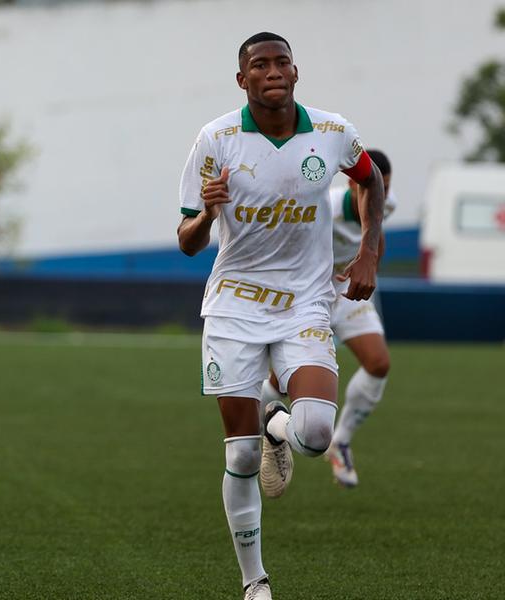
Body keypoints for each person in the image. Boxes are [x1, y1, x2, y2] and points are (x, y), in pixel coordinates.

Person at [176, 32, 385, 600]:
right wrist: (208, 212)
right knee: (240, 453)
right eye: (259, 65)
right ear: (242, 80)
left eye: (281, 62)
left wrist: (369, 249)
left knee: (315, 433)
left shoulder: (333, 131)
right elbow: (188, 240)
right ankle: (255, 583)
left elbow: (369, 178)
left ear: (296, 71)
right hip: (235, 306)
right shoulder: (215, 139)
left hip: (305, 302)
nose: (272, 71)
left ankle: (279, 424)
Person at [261, 149, 397, 488]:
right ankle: (261, 437)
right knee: (279, 385)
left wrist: (371, 267)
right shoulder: (326, 207)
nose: (382, 193)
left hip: (347, 291)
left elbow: (376, 235)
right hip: (310, 294)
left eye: (387, 187)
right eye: (374, 185)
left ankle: (342, 440)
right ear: (353, 183)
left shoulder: (386, 203)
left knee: (379, 363)